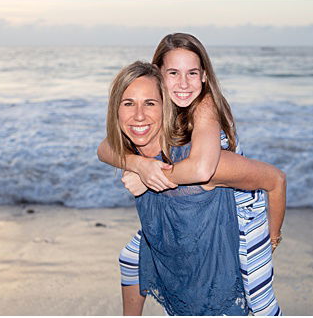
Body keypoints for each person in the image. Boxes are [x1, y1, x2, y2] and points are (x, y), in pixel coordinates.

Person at [99, 33, 283, 315]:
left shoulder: (205, 107)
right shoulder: (161, 122)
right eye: (173, 72)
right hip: (194, 207)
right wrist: (139, 165)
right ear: (158, 75)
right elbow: (104, 147)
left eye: (192, 73)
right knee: (132, 258)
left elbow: (202, 168)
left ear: (205, 76)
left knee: (256, 298)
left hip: (244, 210)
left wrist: (273, 235)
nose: (183, 84)